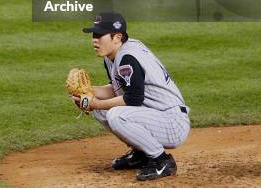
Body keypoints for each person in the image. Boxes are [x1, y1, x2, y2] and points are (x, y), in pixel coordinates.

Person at [76, 12, 190, 182]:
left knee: (115, 114)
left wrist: (96, 103)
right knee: (101, 111)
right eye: (94, 34)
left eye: (100, 35)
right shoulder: (114, 54)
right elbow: (119, 90)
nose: (94, 39)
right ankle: (142, 154)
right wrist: (88, 91)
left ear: (117, 37)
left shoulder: (127, 57)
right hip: (156, 115)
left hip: (172, 122)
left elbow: (133, 99)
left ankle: (162, 161)